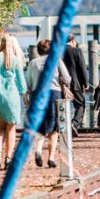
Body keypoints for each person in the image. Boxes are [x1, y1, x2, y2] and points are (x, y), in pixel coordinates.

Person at [26, 38, 72, 169]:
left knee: (40, 125)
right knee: (54, 128)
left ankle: (38, 150)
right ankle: (51, 158)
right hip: (53, 94)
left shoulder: (32, 63)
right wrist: (62, 81)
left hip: (37, 94)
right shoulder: (56, 60)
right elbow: (68, 78)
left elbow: (28, 82)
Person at [0, 34, 27, 168]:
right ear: (12, 45)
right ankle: (8, 158)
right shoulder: (15, 60)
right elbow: (21, 85)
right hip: (12, 98)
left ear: (1, 43)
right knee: (11, 128)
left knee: (1, 128)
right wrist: (25, 94)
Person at [62, 34, 90, 136]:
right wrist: (86, 83)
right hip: (75, 83)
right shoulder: (77, 51)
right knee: (80, 105)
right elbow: (82, 68)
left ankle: (61, 126)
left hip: (62, 84)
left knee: (62, 105)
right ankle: (74, 123)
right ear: (73, 41)